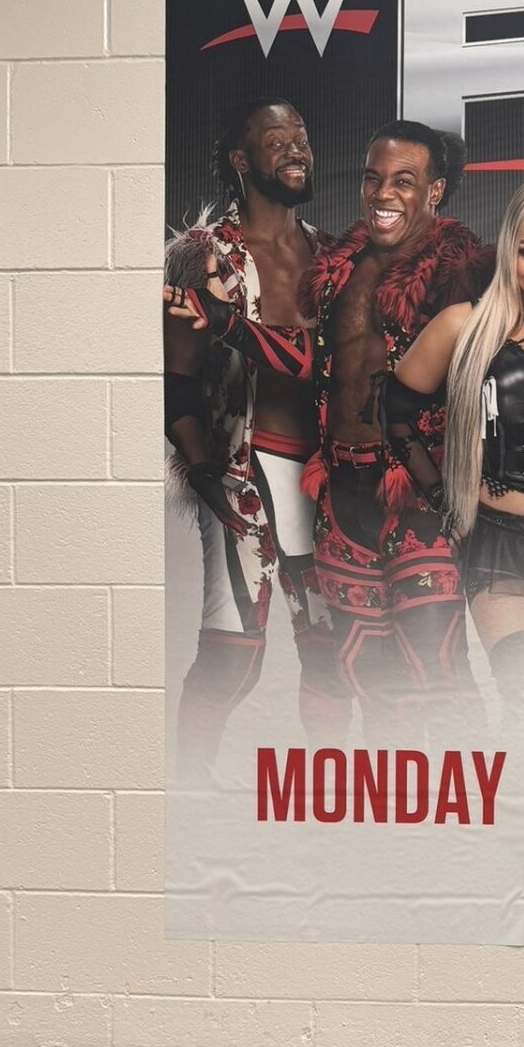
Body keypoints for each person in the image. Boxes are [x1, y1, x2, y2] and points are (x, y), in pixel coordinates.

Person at [168, 123, 495, 734]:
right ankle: (390, 793)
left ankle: (473, 792)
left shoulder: (462, 269)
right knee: (369, 679)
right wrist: (226, 321)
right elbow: (313, 361)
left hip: (417, 495)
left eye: (404, 181)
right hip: (341, 495)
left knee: (440, 668)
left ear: (436, 191)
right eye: (374, 178)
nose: (383, 193)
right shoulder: (339, 269)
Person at [163, 99, 347, 781]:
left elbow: (336, 367)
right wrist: (203, 471)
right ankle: (187, 789)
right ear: (242, 160)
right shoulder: (206, 256)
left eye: (301, 136)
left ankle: (329, 797)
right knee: (232, 655)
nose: (296, 147)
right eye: (276, 139)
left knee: (331, 648)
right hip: (244, 471)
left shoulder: (334, 255)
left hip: (326, 477)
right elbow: (177, 384)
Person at [378, 173, 524, 702]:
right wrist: (446, 500)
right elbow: (394, 413)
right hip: (498, 546)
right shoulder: (465, 326)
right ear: (509, 251)